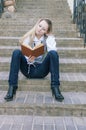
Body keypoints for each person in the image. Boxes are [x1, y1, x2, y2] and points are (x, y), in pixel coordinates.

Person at [4, 18, 64, 102]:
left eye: (43, 29)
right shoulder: (28, 37)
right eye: (40, 26)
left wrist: (50, 37)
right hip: (28, 70)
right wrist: (29, 59)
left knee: (53, 53)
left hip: (42, 70)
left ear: (46, 32)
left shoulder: (47, 38)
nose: (40, 29)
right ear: (37, 24)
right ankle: (12, 87)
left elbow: (53, 53)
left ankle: (55, 87)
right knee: (16, 52)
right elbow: (24, 52)